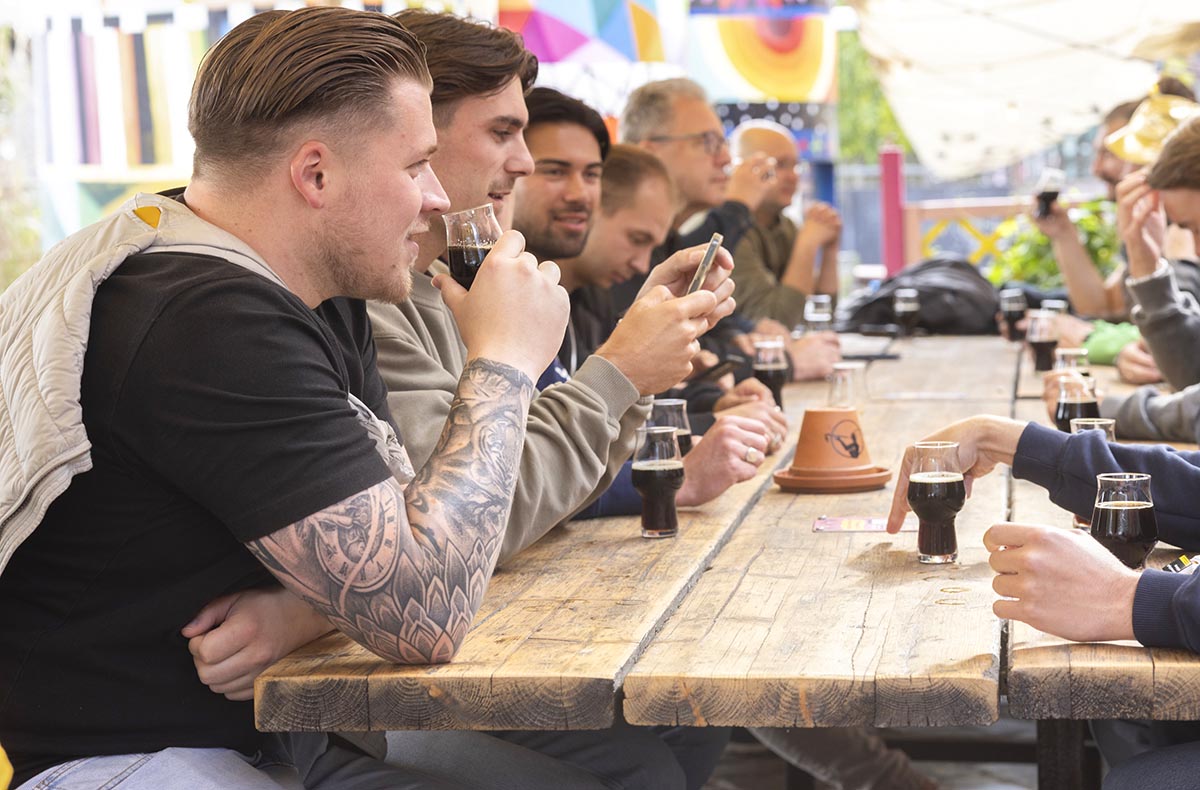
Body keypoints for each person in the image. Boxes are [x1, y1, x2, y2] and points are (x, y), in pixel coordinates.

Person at [0, 7, 603, 788]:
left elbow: (406, 525)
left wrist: (305, 607)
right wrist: (506, 362)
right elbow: (426, 611)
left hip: (286, 728)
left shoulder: (312, 284)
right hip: (141, 761)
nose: (433, 198)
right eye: (417, 164)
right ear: (315, 175)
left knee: (617, 770)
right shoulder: (207, 317)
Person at [514, 90, 779, 513]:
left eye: (591, 175)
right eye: (554, 171)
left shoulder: (574, 296)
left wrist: (709, 407)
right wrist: (682, 476)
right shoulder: (501, 297)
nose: (580, 194)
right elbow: (531, 474)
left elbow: (585, 434)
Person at [617, 77, 841, 381]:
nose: (724, 159)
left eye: (722, 143)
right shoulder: (619, 255)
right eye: (707, 142)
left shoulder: (675, 236)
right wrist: (738, 206)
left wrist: (740, 331)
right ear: (652, 151)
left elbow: (703, 331)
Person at [727, 119, 842, 329]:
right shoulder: (727, 230)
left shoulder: (785, 226)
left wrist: (830, 250)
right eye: (779, 165)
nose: (793, 176)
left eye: (796, 165)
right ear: (741, 168)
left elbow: (822, 316)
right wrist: (807, 245)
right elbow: (777, 322)